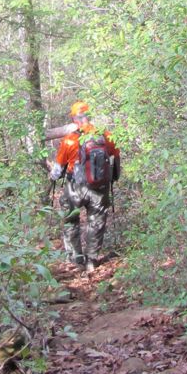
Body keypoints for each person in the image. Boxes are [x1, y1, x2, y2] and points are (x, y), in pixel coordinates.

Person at [48, 100, 121, 269]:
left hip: (75, 187)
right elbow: (116, 157)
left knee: (70, 220)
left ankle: (76, 259)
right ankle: (92, 261)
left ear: (74, 118)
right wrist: (113, 178)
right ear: (90, 115)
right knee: (96, 221)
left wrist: (52, 176)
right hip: (99, 188)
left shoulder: (69, 140)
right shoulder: (105, 135)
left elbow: (57, 171)